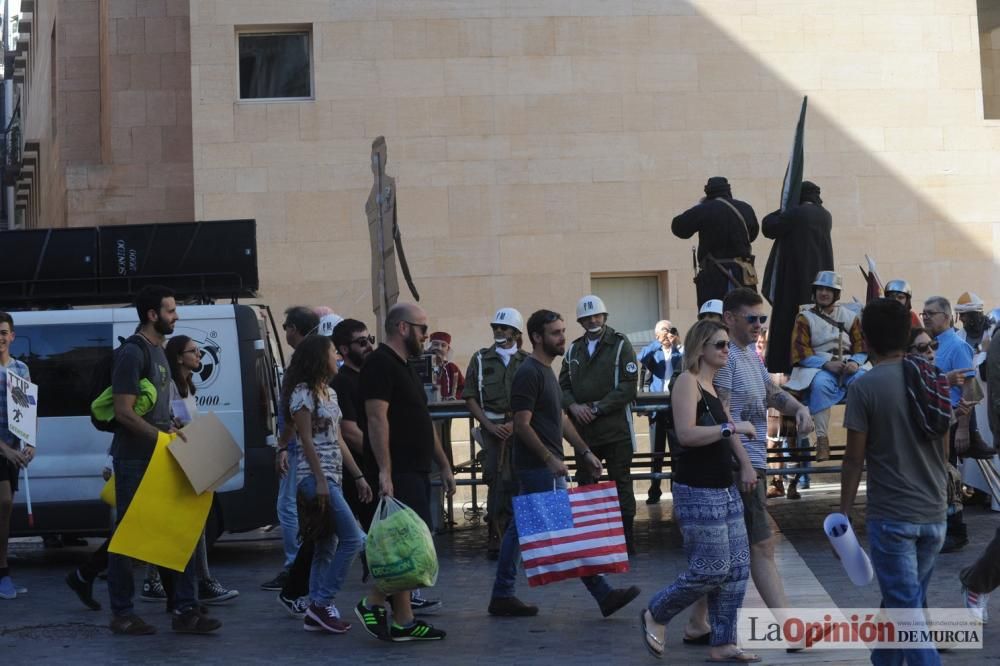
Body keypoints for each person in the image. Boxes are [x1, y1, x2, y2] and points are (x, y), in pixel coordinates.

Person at [487, 309, 641, 618]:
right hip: (537, 469)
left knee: (525, 531)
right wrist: (549, 458)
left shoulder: (546, 372)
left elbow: (559, 417)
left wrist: (584, 451)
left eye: (562, 331)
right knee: (561, 533)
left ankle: (503, 594)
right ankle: (602, 594)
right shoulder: (529, 373)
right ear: (536, 337)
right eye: (556, 332)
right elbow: (522, 424)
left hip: (545, 467)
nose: (563, 337)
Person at [684, 288, 814, 645]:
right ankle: (792, 629)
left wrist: (798, 408)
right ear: (729, 318)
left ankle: (697, 622)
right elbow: (723, 418)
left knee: (722, 553)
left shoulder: (749, 357)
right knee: (761, 546)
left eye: (762, 319)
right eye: (752, 318)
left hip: (751, 464)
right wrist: (743, 465)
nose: (759, 325)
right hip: (740, 467)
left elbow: (771, 393)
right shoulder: (724, 362)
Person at [639, 320, 759, 663]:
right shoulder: (686, 382)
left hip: (724, 485)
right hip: (696, 487)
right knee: (710, 569)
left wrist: (746, 464)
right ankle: (656, 612)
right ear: (701, 348)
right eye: (719, 344)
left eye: (726, 345)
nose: (725, 350)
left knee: (737, 568)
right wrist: (731, 427)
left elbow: (729, 431)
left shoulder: (713, 385)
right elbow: (687, 435)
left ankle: (723, 643)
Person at [840, 298, 950, 666]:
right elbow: (944, 446)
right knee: (904, 602)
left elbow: (854, 458)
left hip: (892, 515)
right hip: (934, 512)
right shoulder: (932, 378)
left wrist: (844, 511)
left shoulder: (864, 387)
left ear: (866, 340)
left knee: (907, 615)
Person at [106, 285, 220, 635]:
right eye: (170, 310)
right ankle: (122, 613)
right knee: (128, 539)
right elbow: (123, 413)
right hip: (135, 460)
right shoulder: (132, 353)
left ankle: (185, 610)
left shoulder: (159, 354)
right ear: (152, 315)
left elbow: (157, 410)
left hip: (162, 455)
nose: (177, 315)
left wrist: (174, 430)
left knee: (179, 529)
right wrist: (161, 437)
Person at [354, 303, 456, 643]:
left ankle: (404, 622)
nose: (426, 335)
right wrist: (385, 471)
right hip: (396, 473)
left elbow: (422, 422)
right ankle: (372, 602)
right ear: (402, 328)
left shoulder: (407, 366)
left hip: (415, 468)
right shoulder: (379, 364)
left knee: (404, 548)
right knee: (412, 548)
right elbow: (375, 419)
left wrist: (443, 464)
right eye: (422, 328)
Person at [283, 334, 371, 633]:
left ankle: (315, 611)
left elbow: (336, 438)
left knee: (327, 544)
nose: (338, 357)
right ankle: (322, 602)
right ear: (320, 357)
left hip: (334, 475)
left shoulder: (329, 394)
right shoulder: (302, 393)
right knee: (354, 539)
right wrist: (320, 480)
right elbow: (304, 439)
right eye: (334, 352)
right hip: (315, 478)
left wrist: (358, 475)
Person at [560, 295, 639, 554]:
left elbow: (629, 386)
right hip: (584, 433)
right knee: (586, 485)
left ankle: (626, 539)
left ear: (604, 317)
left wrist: (598, 408)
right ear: (580, 321)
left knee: (621, 483)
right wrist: (572, 406)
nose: (592, 321)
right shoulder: (573, 349)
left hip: (615, 429)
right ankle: (592, 540)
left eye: (597, 316)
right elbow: (562, 386)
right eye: (587, 317)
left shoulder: (620, 344)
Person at [164, 335, 238, 604]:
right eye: (193, 351)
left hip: (194, 460)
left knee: (205, 522)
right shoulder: (170, 386)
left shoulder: (189, 387)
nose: (199, 355)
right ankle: (195, 581)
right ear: (178, 357)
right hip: (180, 463)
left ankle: (196, 580)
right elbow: (170, 424)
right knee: (197, 524)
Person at [462, 308, 529, 559]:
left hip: (521, 431)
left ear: (516, 332)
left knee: (519, 480)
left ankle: (518, 535)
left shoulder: (526, 360)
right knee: (495, 480)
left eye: (505, 328)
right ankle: (495, 534)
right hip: (491, 432)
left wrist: (515, 426)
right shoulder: (480, 359)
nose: (499, 331)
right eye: (496, 328)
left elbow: (535, 399)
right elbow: (469, 397)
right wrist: (490, 427)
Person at [262, 306, 320, 592]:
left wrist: (283, 444)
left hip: (296, 443)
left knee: (287, 507)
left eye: (286, 326)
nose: (284, 331)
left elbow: (294, 409)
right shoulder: (315, 356)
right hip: (304, 441)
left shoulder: (302, 361)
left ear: (294, 329)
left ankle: (293, 565)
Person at [785, 271, 867, 462]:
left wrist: (855, 362)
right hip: (818, 366)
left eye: (828, 290)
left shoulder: (850, 317)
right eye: (820, 289)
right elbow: (800, 351)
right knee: (820, 385)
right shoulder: (804, 318)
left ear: (835, 294)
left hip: (849, 364)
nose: (823, 293)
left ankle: (864, 439)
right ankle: (822, 440)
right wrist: (826, 364)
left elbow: (861, 346)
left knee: (864, 384)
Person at [760, 180, 834, 374]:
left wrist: (785, 207)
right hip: (820, 285)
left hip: (795, 283)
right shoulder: (826, 215)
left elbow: (768, 227)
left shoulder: (797, 213)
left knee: (791, 326)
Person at [922, 296, 975, 553]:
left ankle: (955, 531)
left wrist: (963, 428)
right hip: (933, 420)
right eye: (924, 313)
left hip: (952, 420)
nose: (925, 317)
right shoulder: (929, 345)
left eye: (931, 313)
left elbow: (970, 389)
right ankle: (938, 529)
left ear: (947, 316)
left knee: (950, 477)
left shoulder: (956, 346)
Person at [671, 176, 760, 306]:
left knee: (714, 318)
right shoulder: (746, 208)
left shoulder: (703, 209)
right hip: (743, 274)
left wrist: (699, 207)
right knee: (745, 314)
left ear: (708, 192)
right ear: (728, 190)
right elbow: (752, 235)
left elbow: (678, 228)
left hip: (714, 276)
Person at [0, 311, 34, 600]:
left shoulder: (21, 369)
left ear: (12, 336)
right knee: (5, 502)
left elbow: (28, 409)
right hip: (2, 450)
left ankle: (3, 573)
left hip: (10, 450)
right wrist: (6, 449)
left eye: (3, 332)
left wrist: (30, 443)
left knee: (5, 511)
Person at [639, 320, 683, 505]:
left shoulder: (678, 352)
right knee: (657, 452)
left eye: (670, 330)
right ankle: (654, 490)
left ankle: (676, 490)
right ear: (657, 334)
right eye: (664, 331)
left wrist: (677, 342)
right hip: (657, 406)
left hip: (674, 405)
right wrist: (658, 342)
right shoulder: (654, 352)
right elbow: (641, 356)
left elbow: (690, 360)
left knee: (676, 451)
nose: (667, 334)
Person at [428, 331, 464, 400]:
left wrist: (454, 397)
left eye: (443, 345)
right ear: (430, 346)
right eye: (435, 344)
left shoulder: (452, 368)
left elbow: (462, 388)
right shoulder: (422, 364)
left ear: (447, 349)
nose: (439, 348)